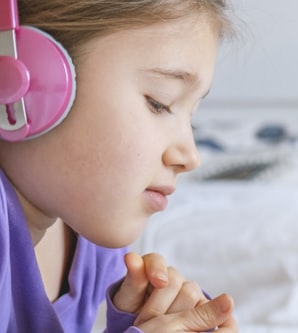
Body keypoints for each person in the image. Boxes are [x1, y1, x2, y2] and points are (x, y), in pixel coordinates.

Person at [0, 0, 239, 331]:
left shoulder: (90, 232)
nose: (190, 156)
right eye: (160, 103)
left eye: (191, 117)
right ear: (22, 81)